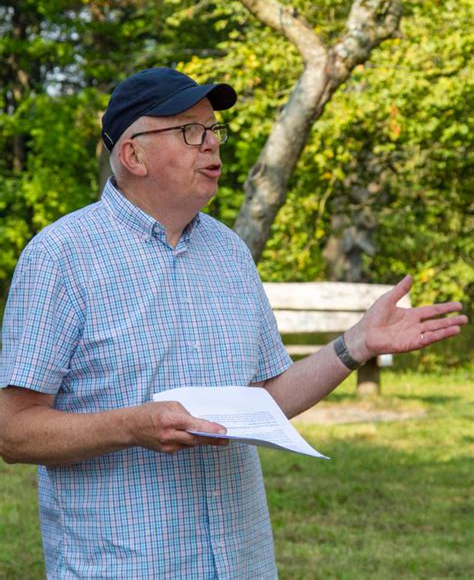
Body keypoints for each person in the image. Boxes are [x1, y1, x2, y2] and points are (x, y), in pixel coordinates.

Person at [0, 67, 467, 579]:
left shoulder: (230, 252)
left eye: (214, 129)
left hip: (241, 561)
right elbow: (13, 431)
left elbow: (266, 397)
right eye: (189, 130)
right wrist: (131, 427)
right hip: (124, 565)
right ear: (133, 155)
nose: (211, 145)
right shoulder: (60, 257)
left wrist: (355, 344)